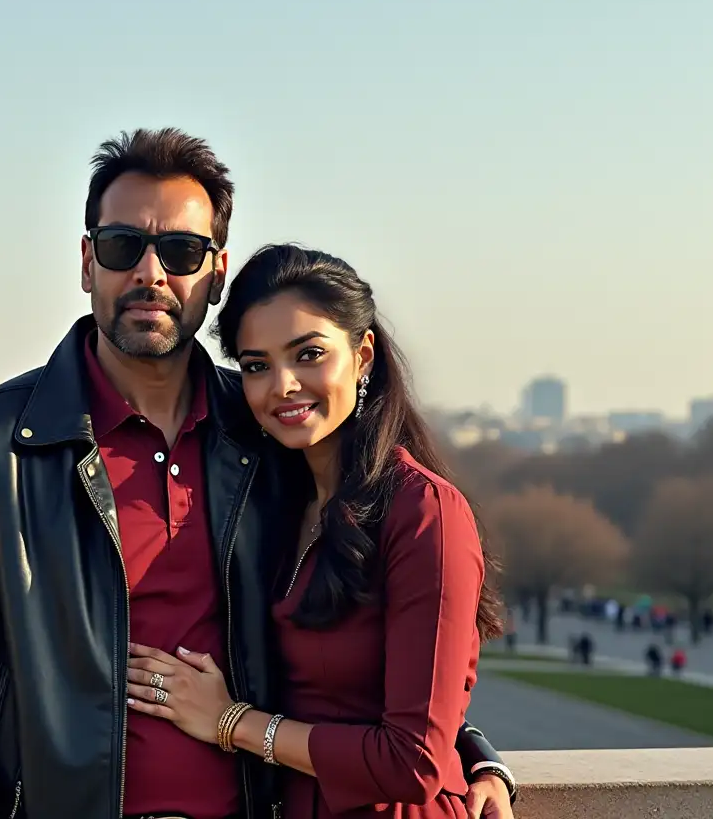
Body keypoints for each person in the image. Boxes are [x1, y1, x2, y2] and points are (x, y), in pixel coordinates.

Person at [0, 129, 516, 819]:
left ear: (217, 273)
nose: (150, 273)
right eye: (120, 247)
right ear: (87, 263)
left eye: (180, 251)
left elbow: (352, 662)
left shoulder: (270, 436)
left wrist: (469, 755)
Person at [125, 245, 511, 817]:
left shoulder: (423, 512)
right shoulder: (273, 500)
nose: (282, 385)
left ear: (363, 357)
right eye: (256, 365)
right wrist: (480, 753)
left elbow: (414, 760)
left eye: (308, 354)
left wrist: (232, 722)